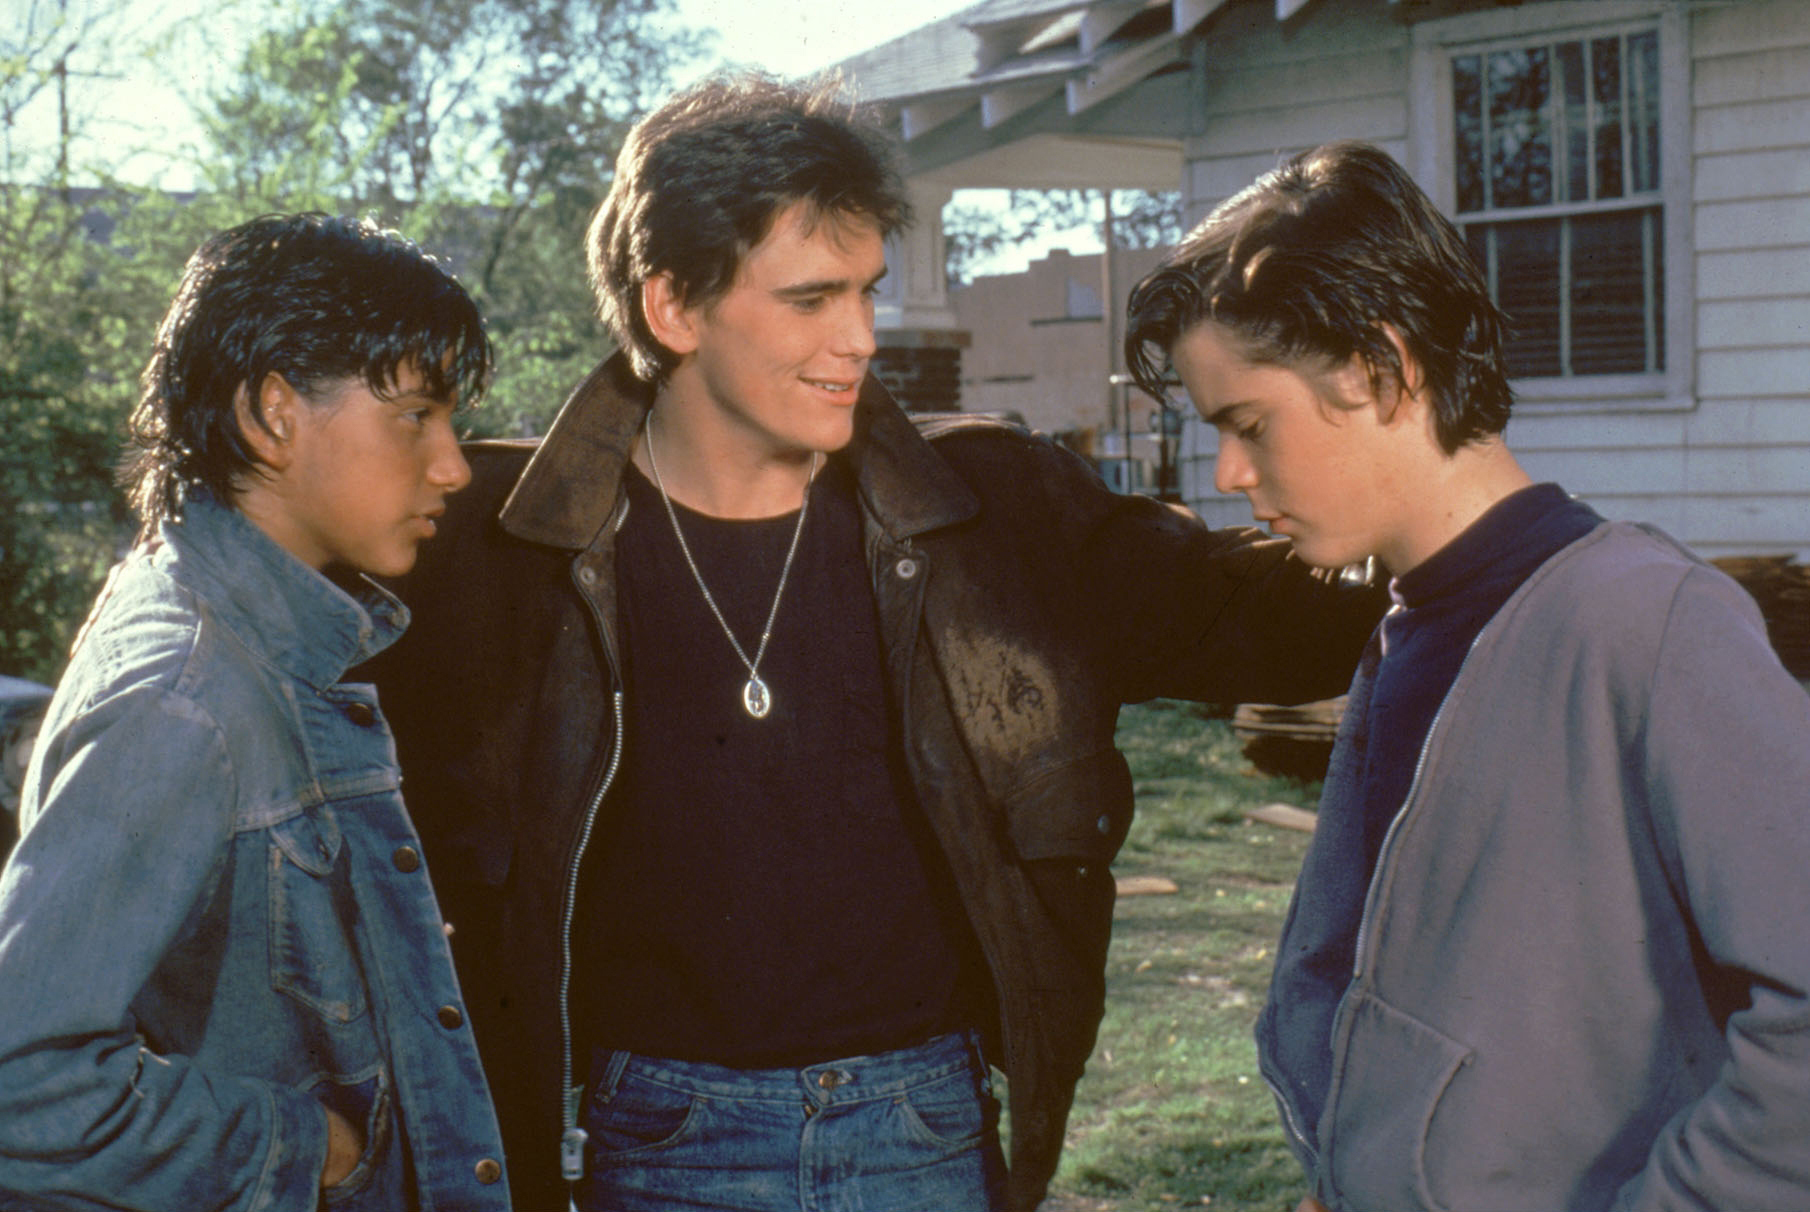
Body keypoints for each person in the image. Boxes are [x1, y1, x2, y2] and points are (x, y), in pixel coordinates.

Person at [362, 73, 1384, 1212]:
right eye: (809, 299)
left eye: (865, 292)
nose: (859, 339)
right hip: (651, 1137)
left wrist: (1412, 460)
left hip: (925, 1126)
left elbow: (1283, 622)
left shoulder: (991, 513)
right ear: (672, 308)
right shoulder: (494, 556)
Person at [1124, 140, 1810, 1212]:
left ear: (1379, 367)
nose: (1228, 474)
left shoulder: (1647, 622)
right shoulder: (1411, 625)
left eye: (1248, 424)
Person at [0, 213, 513, 1210]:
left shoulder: (240, 637)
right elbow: (20, 1083)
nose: (452, 464)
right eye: (415, 415)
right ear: (273, 412)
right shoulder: (185, 700)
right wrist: (306, 1150)